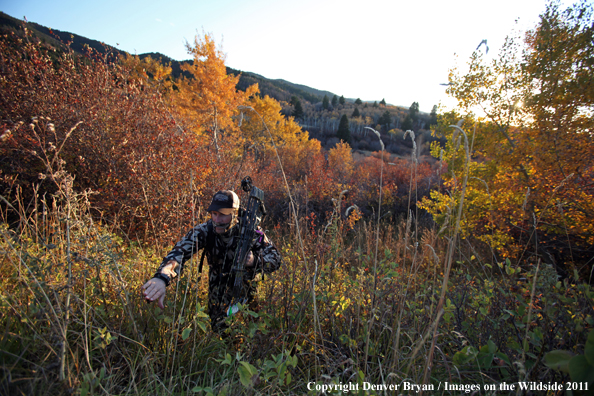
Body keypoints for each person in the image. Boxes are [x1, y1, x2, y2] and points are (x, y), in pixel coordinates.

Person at [142, 190, 281, 332]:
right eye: (214, 214)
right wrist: (163, 276)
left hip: (248, 291)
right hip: (219, 290)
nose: (217, 220)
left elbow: (275, 258)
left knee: (255, 330)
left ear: (235, 214)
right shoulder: (205, 230)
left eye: (223, 215)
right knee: (220, 327)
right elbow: (180, 252)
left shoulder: (250, 231)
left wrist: (255, 261)